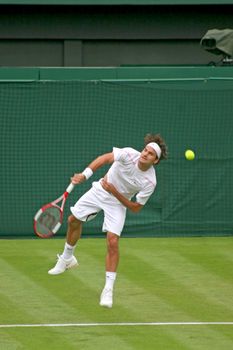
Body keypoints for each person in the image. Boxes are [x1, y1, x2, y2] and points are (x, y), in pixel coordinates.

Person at [48, 133, 168, 308]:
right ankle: (67, 259)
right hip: (100, 191)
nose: (145, 154)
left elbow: (135, 208)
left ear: (155, 161)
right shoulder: (128, 154)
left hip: (118, 203)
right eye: (145, 150)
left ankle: (108, 290)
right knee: (73, 220)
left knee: (112, 242)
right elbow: (105, 158)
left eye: (150, 154)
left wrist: (114, 190)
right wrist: (85, 175)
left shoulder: (150, 181)